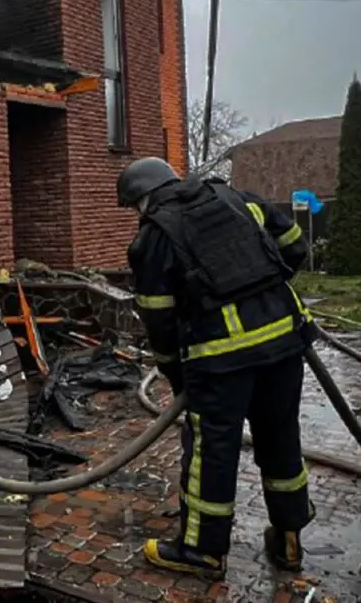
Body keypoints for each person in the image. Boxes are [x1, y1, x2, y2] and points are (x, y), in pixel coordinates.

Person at [117, 157, 318, 580]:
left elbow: (159, 320)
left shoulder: (155, 236)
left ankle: (203, 551)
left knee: (213, 452)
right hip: (285, 342)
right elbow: (295, 245)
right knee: (281, 436)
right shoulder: (235, 198)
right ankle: (289, 539)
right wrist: (263, 292)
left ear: (143, 200)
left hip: (220, 361)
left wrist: (175, 375)